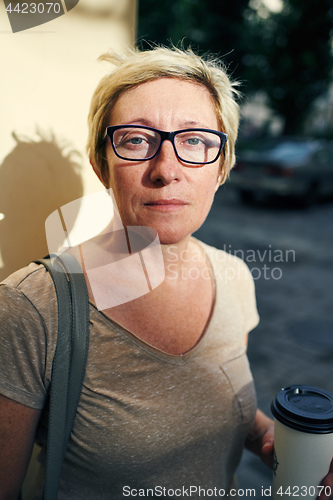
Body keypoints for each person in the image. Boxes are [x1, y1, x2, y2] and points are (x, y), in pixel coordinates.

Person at [0, 45, 332, 500]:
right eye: (137, 140)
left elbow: (224, 405)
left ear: (222, 166)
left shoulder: (235, 277)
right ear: (101, 165)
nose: (167, 170)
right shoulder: (32, 308)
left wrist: (274, 440)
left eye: (195, 140)